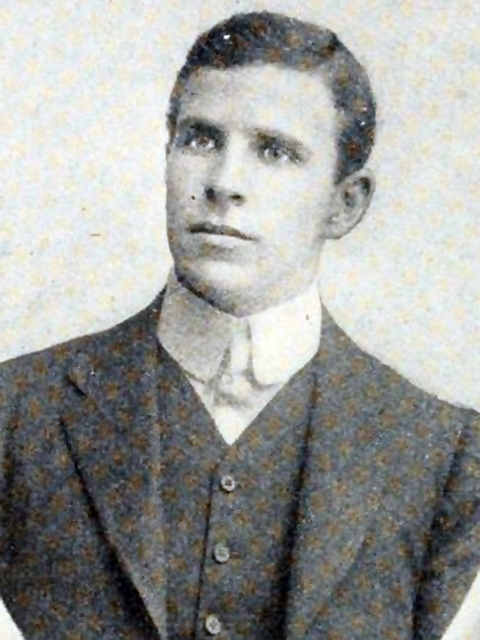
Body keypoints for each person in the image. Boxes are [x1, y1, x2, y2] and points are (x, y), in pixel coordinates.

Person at [0, 10, 479, 640]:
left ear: (344, 204)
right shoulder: (15, 414)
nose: (225, 183)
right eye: (201, 140)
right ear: (167, 157)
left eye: (274, 152)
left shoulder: (447, 458)